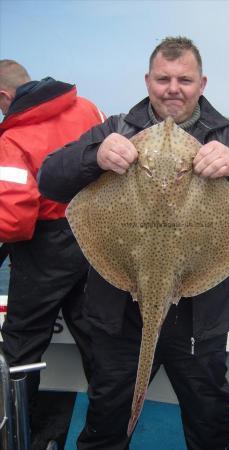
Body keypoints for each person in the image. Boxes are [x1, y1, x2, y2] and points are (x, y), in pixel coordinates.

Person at [38, 37, 229, 450]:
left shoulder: (228, 133)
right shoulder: (115, 129)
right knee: (106, 421)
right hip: (119, 317)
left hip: (200, 321)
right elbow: (49, 180)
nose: (172, 88)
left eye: (184, 79)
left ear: (202, 83)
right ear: (148, 81)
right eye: (163, 78)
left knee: (209, 424)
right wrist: (93, 155)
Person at [0, 60, 105, 438]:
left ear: (4, 97)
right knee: (99, 341)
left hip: (45, 249)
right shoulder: (88, 108)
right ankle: (106, 434)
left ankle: (16, 432)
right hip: (95, 240)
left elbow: (14, 220)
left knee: (22, 345)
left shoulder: (11, 139)